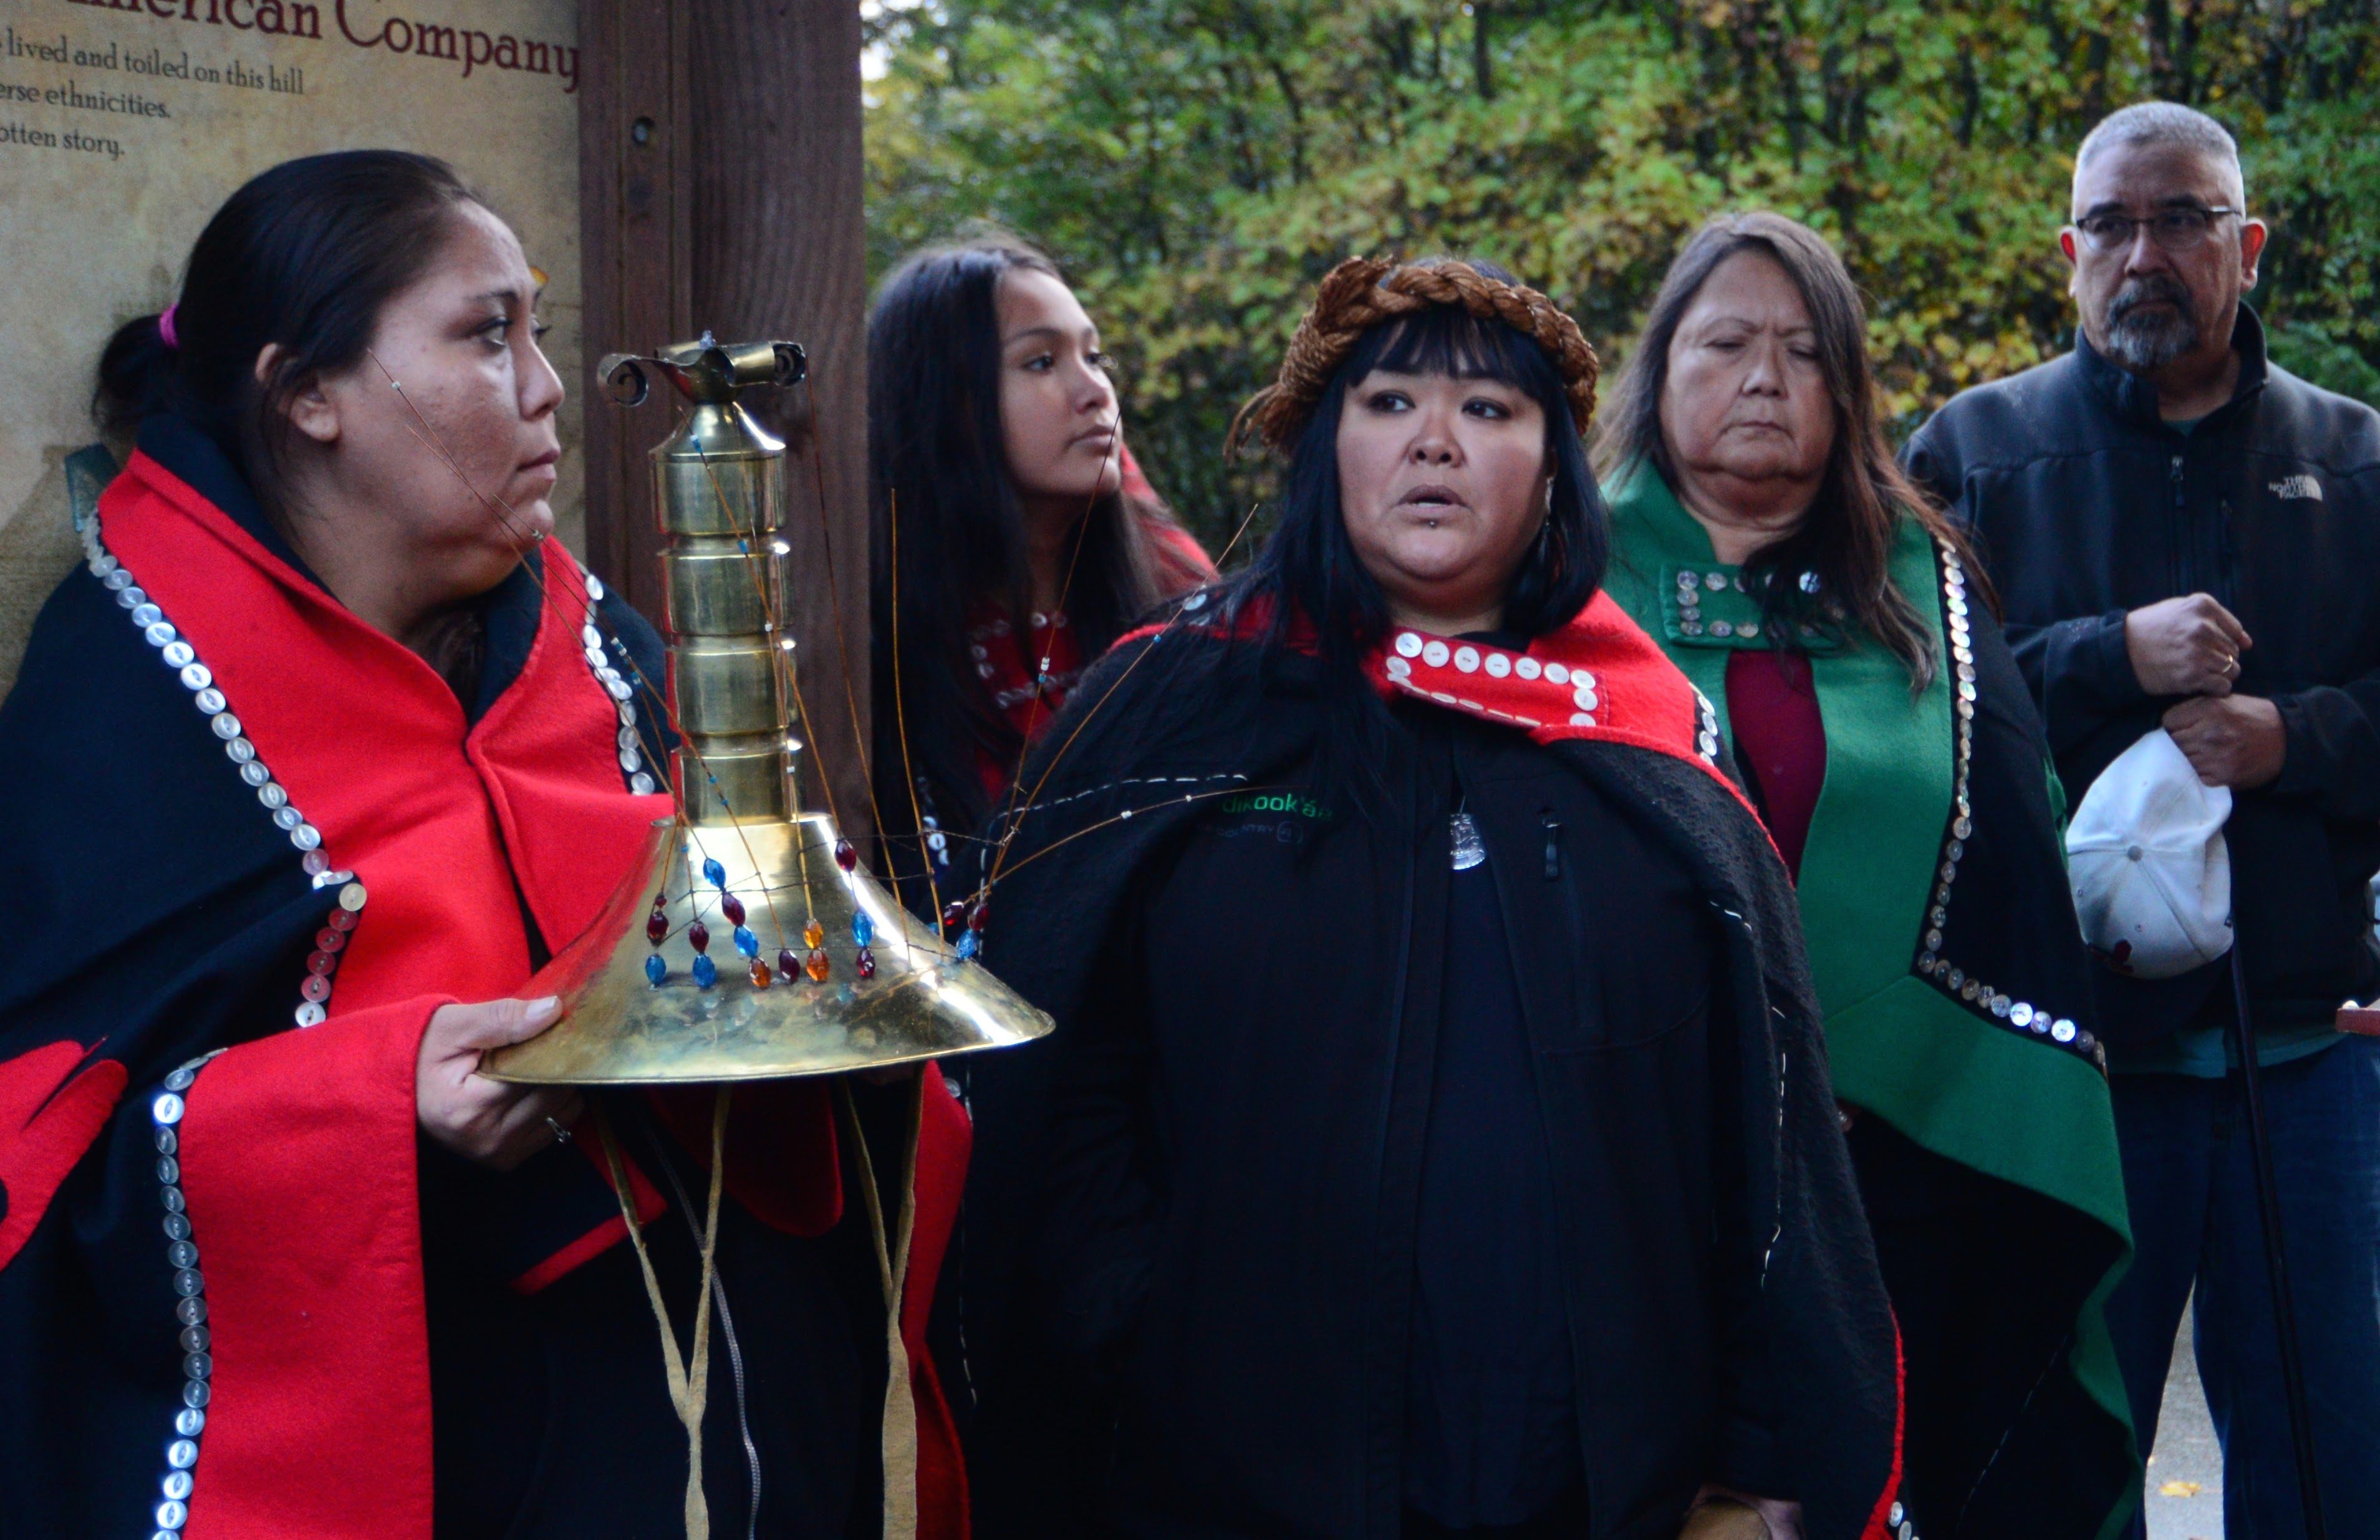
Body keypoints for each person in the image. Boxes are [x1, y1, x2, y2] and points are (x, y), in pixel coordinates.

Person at [0, 151, 970, 1539]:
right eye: (483, 332)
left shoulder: (589, 640)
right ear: (308, 393)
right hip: (412, 1430)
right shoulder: (127, 692)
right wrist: (367, 1104)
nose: (547, 382)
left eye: (536, 324)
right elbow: (39, 1148)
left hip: (710, 1388)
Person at [960, 256, 1906, 1539]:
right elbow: (1049, 1063)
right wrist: (1142, 1317)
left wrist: (1742, 1462)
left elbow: (1752, 1129)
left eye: (1491, 412)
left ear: (1552, 466)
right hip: (1225, 1471)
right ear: (1324, 447)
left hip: (1593, 1476)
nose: (1438, 446)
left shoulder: (1639, 730)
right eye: (1392, 404)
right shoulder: (1174, 703)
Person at [1594, 212, 2134, 1538]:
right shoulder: (1564, 575)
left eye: (1803, 351)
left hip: (1905, 1156)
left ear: (1849, 392)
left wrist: (1861, 1066)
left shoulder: (1921, 585)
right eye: (1725, 343)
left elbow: (2009, 856)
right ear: (1657, 373)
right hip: (1628, 1157)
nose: (1765, 378)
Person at [1906, 101, 2380, 1538]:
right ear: (2066, 252)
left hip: (2300, 1063)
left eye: (2180, 218)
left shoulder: (2354, 457)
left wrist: (2290, 734)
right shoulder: (1972, 451)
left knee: (2325, 1450)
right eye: (2110, 222)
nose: (2143, 251)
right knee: (2059, 1451)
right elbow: (1913, 698)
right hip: (2062, 1065)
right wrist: (2112, 651)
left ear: (2245, 243)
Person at [866, 236, 1213, 917]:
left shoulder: (1170, 613)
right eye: (1042, 361)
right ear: (945, 403)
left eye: (1095, 355)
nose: (1095, 392)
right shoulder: (879, 661)